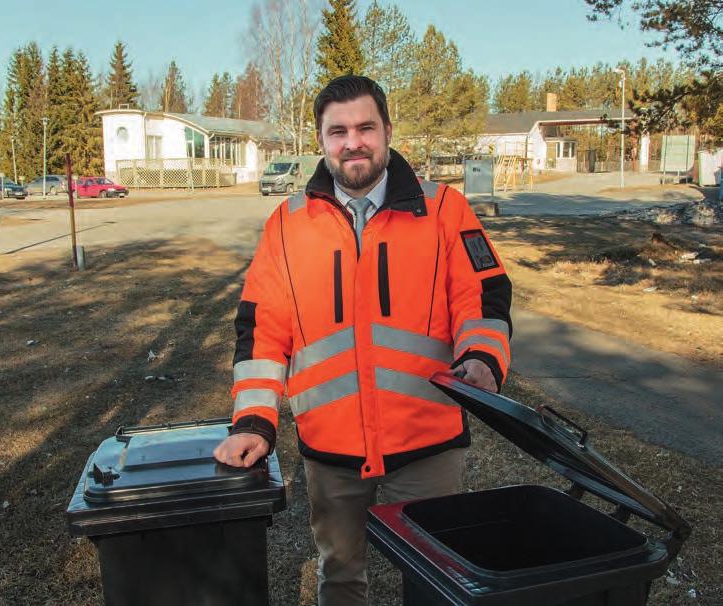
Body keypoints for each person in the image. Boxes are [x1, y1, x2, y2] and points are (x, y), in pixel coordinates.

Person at [214, 75, 512, 606]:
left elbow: (484, 296)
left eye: (365, 127)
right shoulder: (286, 226)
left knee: (437, 585)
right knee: (341, 577)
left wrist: (483, 358)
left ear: (388, 131)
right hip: (330, 453)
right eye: (338, 131)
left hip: (428, 447)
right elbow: (262, 331)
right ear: (321, 140)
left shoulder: (444, 210)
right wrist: (255, 421)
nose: (353, 141)